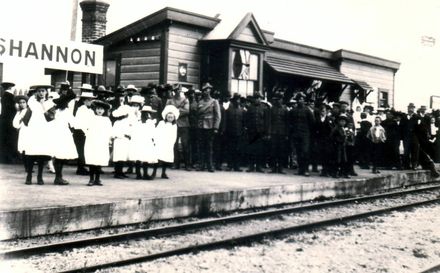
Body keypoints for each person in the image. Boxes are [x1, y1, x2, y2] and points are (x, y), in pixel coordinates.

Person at [24, 85, 54, 185]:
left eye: (43, 91)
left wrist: (43, 105)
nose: (41, 93)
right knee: (31, 154)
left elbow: (51, 117)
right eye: (39, 91)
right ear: (36, 92)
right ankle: (29, 176)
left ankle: (39, 176)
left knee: (41, 154)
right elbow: (27, 116)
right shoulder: (32, 102)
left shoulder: (49, 103)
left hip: (44, 130)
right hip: (34, 129)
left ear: (46, 92)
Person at [51, 84, 78, 185]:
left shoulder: (56, 110)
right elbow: (74, 123)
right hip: (61, 134)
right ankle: (58, 177)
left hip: (58, 133)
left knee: (59, 156)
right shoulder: (63, 111)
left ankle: (58, 176)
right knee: (60, 156)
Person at [84, 100, 113, 186]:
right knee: (92, 160)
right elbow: (86, 128)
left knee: (99, 160)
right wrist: (88, 134)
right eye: (98, 109)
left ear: (104, 110)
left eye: (101, 109)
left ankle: (98, 179)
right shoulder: (91, 118)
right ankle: (91, 179)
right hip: (92, 141)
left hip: (101, 142)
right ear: (95, 109)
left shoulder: (106, 120)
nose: (99, 111)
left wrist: (108, 140)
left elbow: (109, 131)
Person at [195, 83, 221, 172]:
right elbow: (197, 114)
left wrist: (216, 127)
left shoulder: (214, 102)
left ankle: (210, 165)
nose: (206, 91)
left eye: (208, 89)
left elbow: (218, 116)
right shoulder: (200, 102)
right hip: (201, 126)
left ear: (210, 91)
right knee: (200, 146)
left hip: (210, 127)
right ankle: (201, 165)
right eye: (205, 90)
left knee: (209, 147)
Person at [128, 105, 158, 180]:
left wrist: (153, 140)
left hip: (147, 141)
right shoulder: (138, 122)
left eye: (148, 113)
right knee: (138, 157)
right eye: (145, 113)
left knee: (146, 158)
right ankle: (138, 174)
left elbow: (153, 132)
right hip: (139, 141)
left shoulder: (150, 123)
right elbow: (133, 132)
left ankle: (145, 174)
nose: (147, 115)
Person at [289, 92, 315, 176]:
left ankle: (305, 170)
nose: (301, 100)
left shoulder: (307, 110)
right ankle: (300, 170)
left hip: (305, 135)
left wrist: (309, 133)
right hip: (296, 134)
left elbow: (312, 122)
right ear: (297, 100)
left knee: (305, 152)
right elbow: (290, 122)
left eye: (302, 99)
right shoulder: (293, 110)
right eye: (299, 99)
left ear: (304, 101)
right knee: (298, 152)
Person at [72, 84, 96, 175]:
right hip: (80, 131)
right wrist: (85, 132)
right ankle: (80, 168)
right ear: (85, 100)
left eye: (91, 100)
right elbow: (81, 123)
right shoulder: (81, 109)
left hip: (85, 131)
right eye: (89, 100)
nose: (90, 102)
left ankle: (82, 167)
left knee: (84, 150)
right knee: (81, 150)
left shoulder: (89, 110)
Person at [166, 84, 191, 170]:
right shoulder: (170, 100)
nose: (177, 92)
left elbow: (187, 111)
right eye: (175, 90)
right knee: (174, 144)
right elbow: (167, 112)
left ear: (180, 91)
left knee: (185, 144)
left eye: (178, 90)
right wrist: (178, 111)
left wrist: (174, 111)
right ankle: (175, 163)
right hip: (173, 125)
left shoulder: (185, 100)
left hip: (184, 125)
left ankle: (188, 164)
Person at [244, 92, 270, 173]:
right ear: (254, 99)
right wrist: (247, 129)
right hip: (252, 132)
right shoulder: (250, 108)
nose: (257, 99)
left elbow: (267, 121)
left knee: (260, 150)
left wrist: (267, 133)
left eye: (259, 98)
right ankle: (251, 166)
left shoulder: (264, 108)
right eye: (256, 98)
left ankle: (259, 166)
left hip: (260, 132)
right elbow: (246, 120)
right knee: (251, 149)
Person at [154, 105, 179, 179]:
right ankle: (154, 172)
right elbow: (157, 132)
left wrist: (172, 143)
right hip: (160, 142)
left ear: (174, 118)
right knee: (157, 158)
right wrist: (156, 141)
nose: (170, 118)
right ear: (165, 117)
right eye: (168, 117)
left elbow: (174, 135)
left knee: (166, 159)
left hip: (168, 143)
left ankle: (163, 172)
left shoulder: (174, 125)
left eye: (172, 117)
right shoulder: (161, 123)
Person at [269, 92, 289, 174]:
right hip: (274, 132)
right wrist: (269, 133)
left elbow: (287, 122)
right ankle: (273, 167)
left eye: (280, 99)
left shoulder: (285, 110)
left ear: (282, 100)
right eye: (277, 100)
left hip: (282, 133)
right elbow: (269, 121)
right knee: (273, 150)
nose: (278, 101)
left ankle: (280, 168)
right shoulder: (272, 109)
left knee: (281, 151)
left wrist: (287, 134)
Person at [224, 93, 245, 172]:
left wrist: (243, 131)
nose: (237, 101)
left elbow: (243, 123)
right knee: (230, 149)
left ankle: (237, 166)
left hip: (239, 133)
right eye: (236, 99)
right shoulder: (228, 110)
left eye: (238, 99)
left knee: (238, 150)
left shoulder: (242, 110)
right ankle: (230, 165)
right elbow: (226, 121)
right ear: (233, 101)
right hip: (230, 133)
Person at [0, 82, 18, 163]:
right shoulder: (12, 97)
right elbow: (14, 109)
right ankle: (10, 158)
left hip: (4, 120)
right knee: (11, 139)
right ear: (11, 87)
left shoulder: (3, 97)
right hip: (11, 120)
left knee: (4, 139)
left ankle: (4, 157)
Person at [12, 95, 31, 173]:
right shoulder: (19, 112)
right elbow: (15, 122)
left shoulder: (29, 111)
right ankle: (26, 166)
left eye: (23, 102)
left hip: (28, 130)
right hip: (22, 131)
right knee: (23, 148)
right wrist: (18, 125)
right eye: (20, 103)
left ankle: (29, 166)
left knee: (28, 148)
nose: (22, 104)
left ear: (26, 103)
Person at [330, 114, 349, 178]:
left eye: (344, 121)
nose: (343, 123)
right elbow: (332, 137)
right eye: (341, 121)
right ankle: (335, 173)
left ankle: (342, 173)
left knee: (344, 160)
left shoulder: (343, 129)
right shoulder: (336, 128)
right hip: (337, 146)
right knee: (337, 160)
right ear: (338, 121)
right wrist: (340, 140)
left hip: (342, 146)